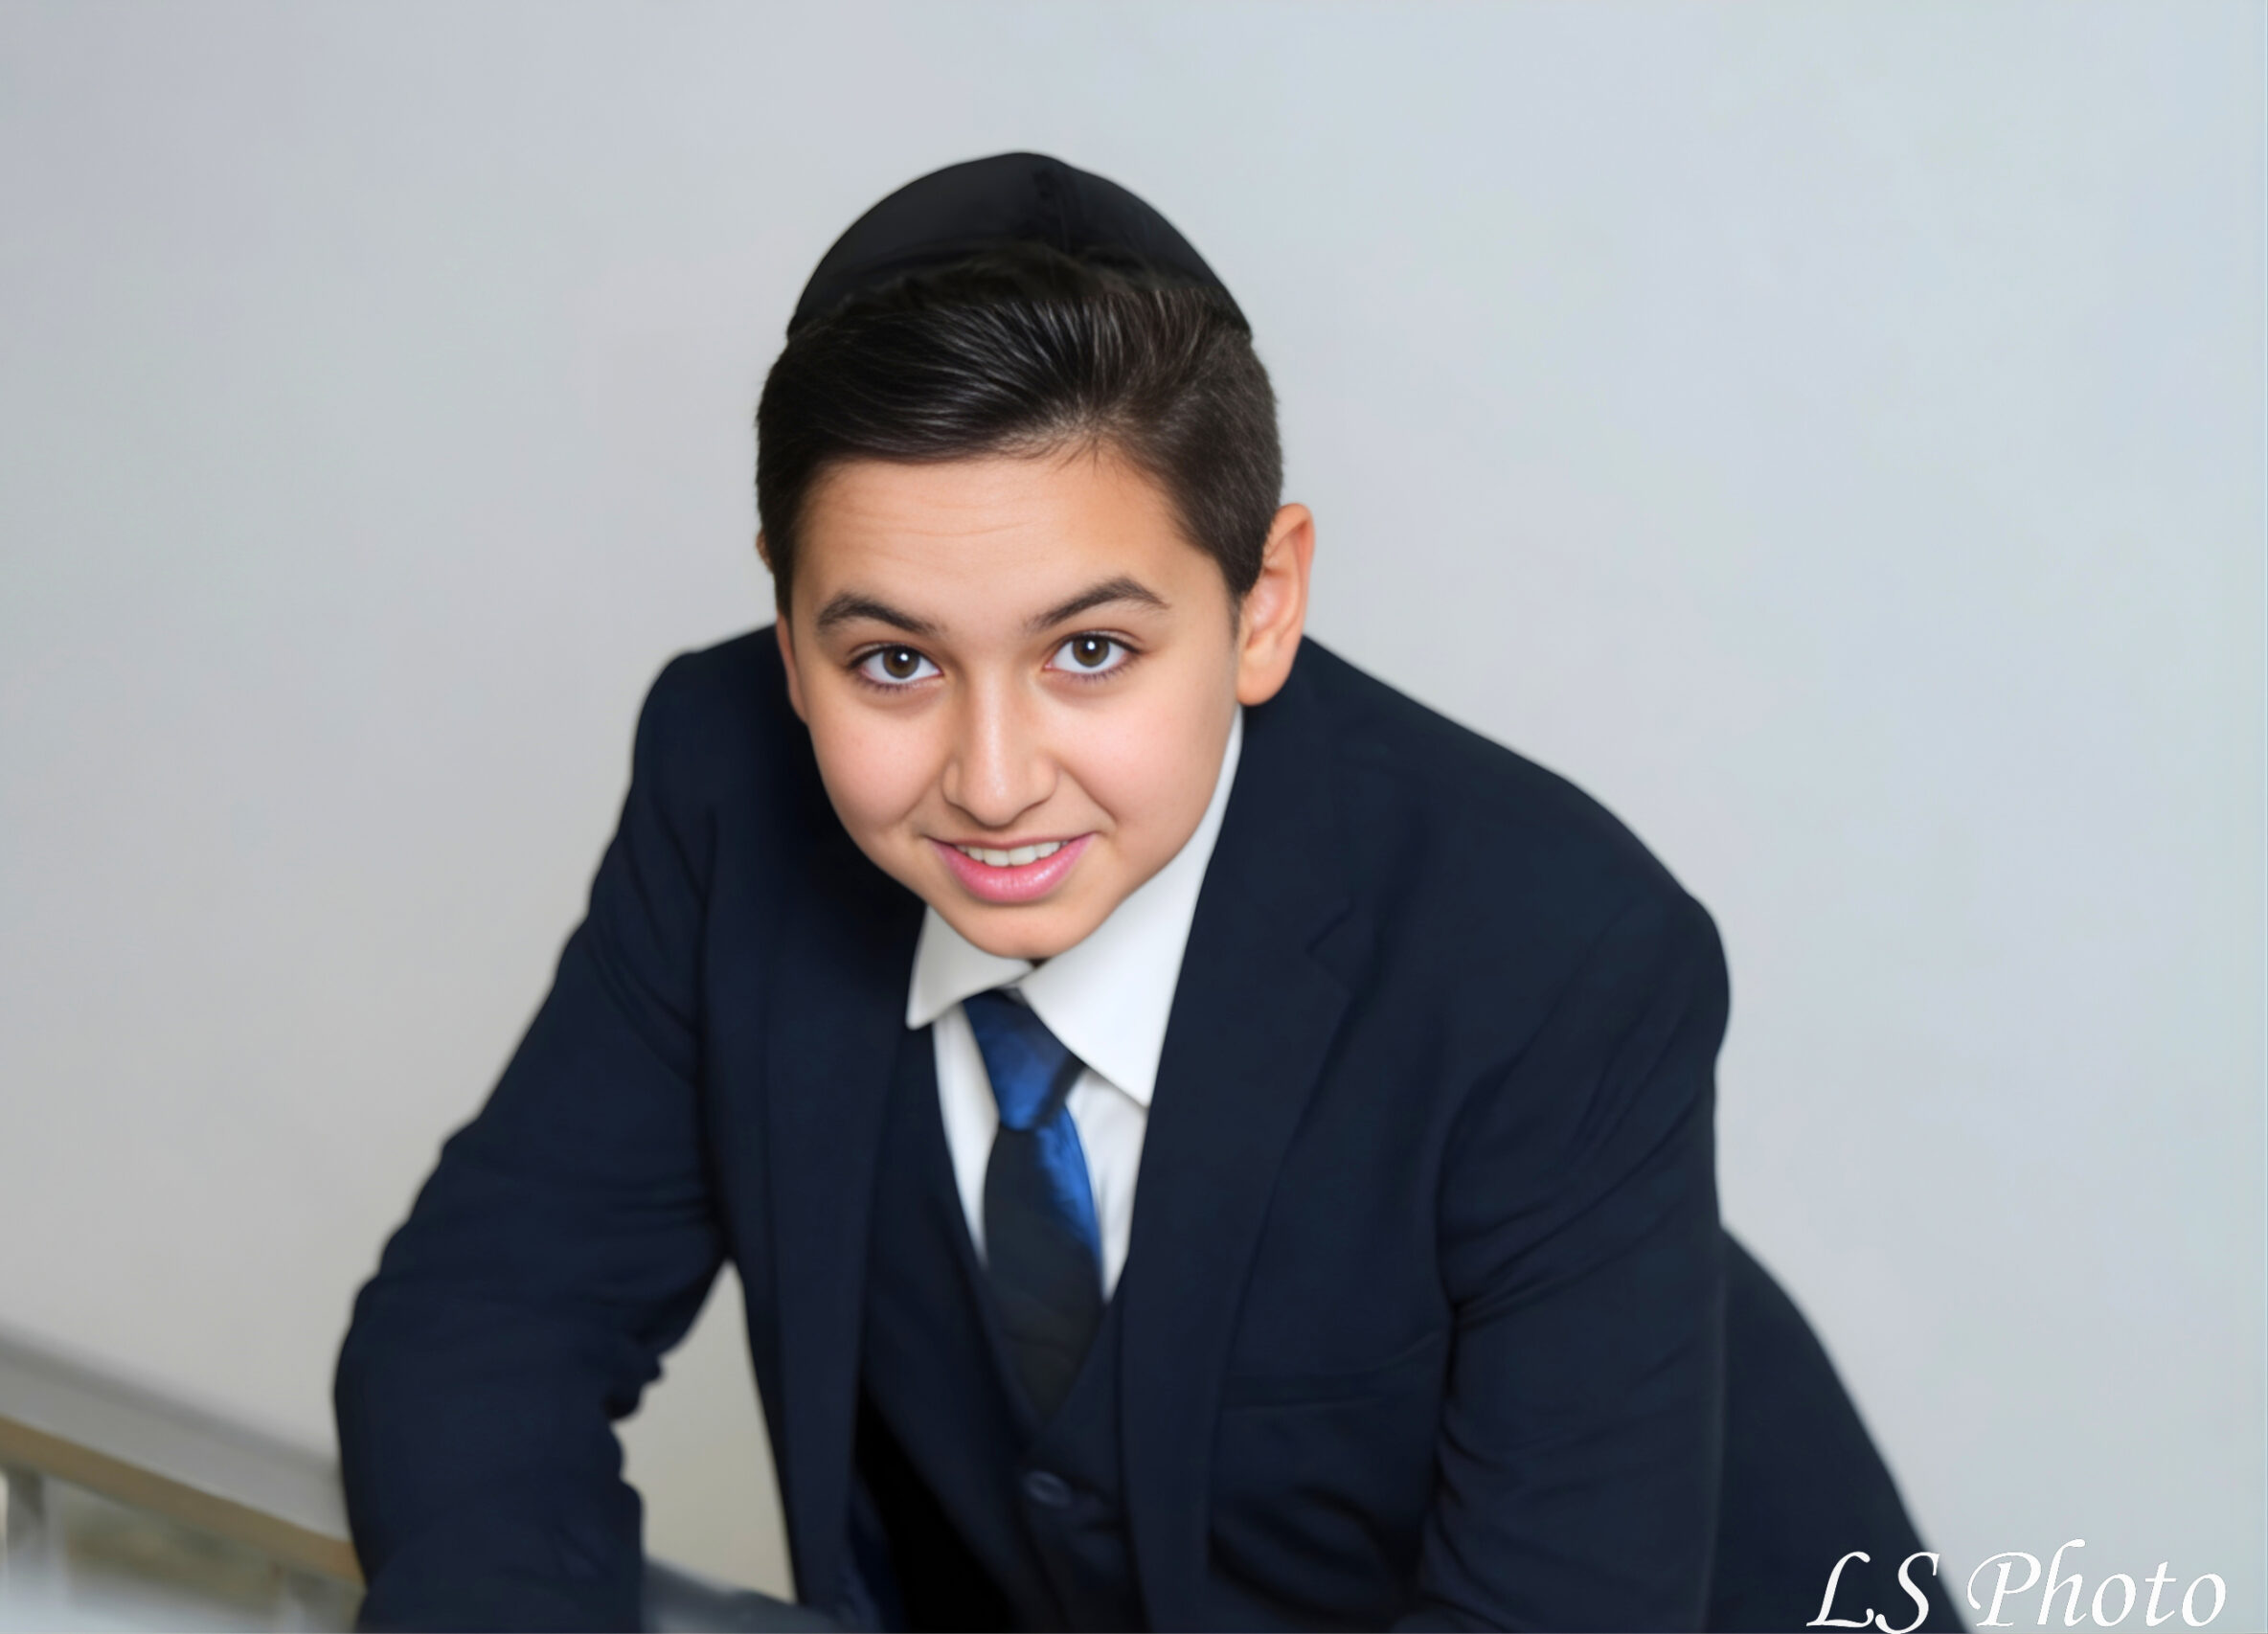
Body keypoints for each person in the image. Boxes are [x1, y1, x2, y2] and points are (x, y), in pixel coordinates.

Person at [334, 153, 1958, 1633]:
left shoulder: (1563, 957)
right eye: (893, 660)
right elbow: (485, 1328)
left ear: (1265, 605)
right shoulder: (725, 779)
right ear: (790, 632)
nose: (991, 779)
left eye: (1091, 649)